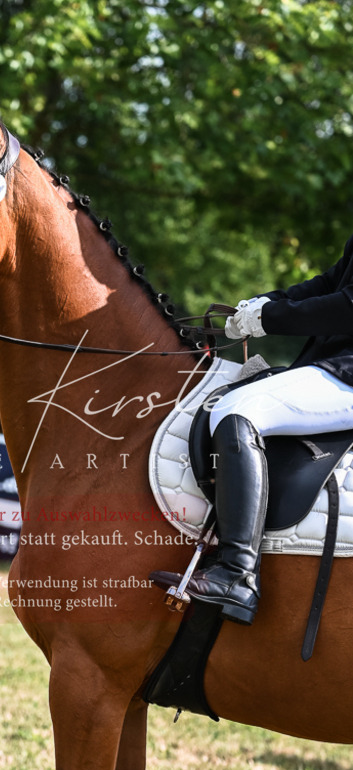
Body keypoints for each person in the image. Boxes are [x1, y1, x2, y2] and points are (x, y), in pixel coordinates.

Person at [152, 234, 353, 625]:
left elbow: (348, 307)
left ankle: (237, 574)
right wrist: (264, 304)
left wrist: (270, 319)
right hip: (337, 366)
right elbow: (331, 284)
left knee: (238, 411)